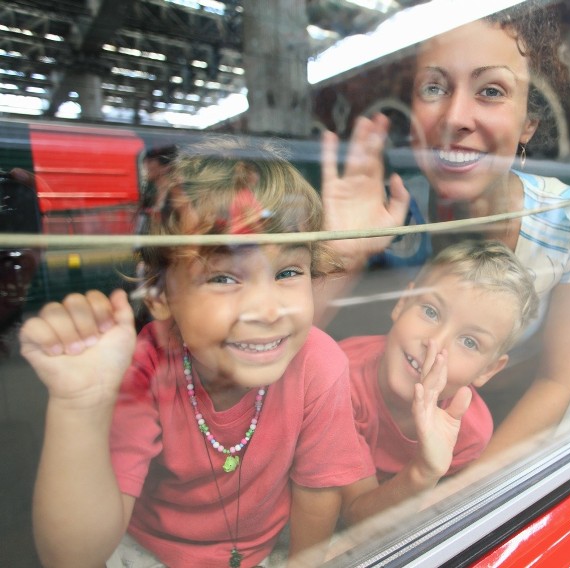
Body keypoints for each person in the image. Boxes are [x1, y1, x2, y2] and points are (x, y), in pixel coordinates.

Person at [19, 137, 372, 568]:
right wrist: (79, 405)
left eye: (288, 272)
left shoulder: (319, 363)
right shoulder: (145, 369)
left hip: (259, 553)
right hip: (149, 552)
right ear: (160, 294)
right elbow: (72, 558)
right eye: (223, 278)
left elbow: (317, 489)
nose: (267, 309)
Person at [319, 4, 570, 460]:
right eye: (434, 87)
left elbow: (557, 379)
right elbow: (279, 353)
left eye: (490, 91)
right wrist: (344, 254)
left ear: (529, 122)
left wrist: (460, 494)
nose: (454, 116)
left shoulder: (568, 222)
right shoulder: (392, 211)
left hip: (496, 441)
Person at [338, 240, 539, 524]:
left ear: (489, 370)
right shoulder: (338, 381)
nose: (435, 344)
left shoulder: (468, 433)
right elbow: (352, 516)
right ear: (403, 304)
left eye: (469, 342)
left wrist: (428, 470)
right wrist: (422, 472)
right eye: (431, 311)